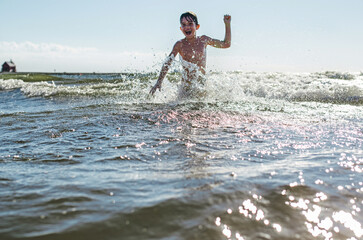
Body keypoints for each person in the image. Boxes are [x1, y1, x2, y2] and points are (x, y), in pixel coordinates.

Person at [149, 11, 231, 96]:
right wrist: (159, 82)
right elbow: (168, 63)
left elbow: (226, 44)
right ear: (181, 28)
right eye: (183, 25)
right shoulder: (179, 45)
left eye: (190, 24)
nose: (187, 27)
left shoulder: (203, 40)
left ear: (197, 26)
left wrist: (227, 24)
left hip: (201, 86)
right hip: (185, 88)